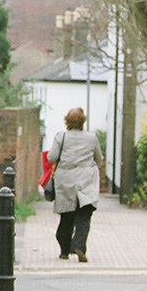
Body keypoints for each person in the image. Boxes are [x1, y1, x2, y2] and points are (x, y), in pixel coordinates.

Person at [48, 107, 102, 262]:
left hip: (66, 182)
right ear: (83, 121)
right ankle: (78, 245)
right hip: (86, 181)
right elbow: (99, 159)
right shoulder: (92, 138)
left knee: (66, 216)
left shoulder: (61, 137)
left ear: (67, 121)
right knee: (84, 215)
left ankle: (64, 252)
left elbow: (52, 157)